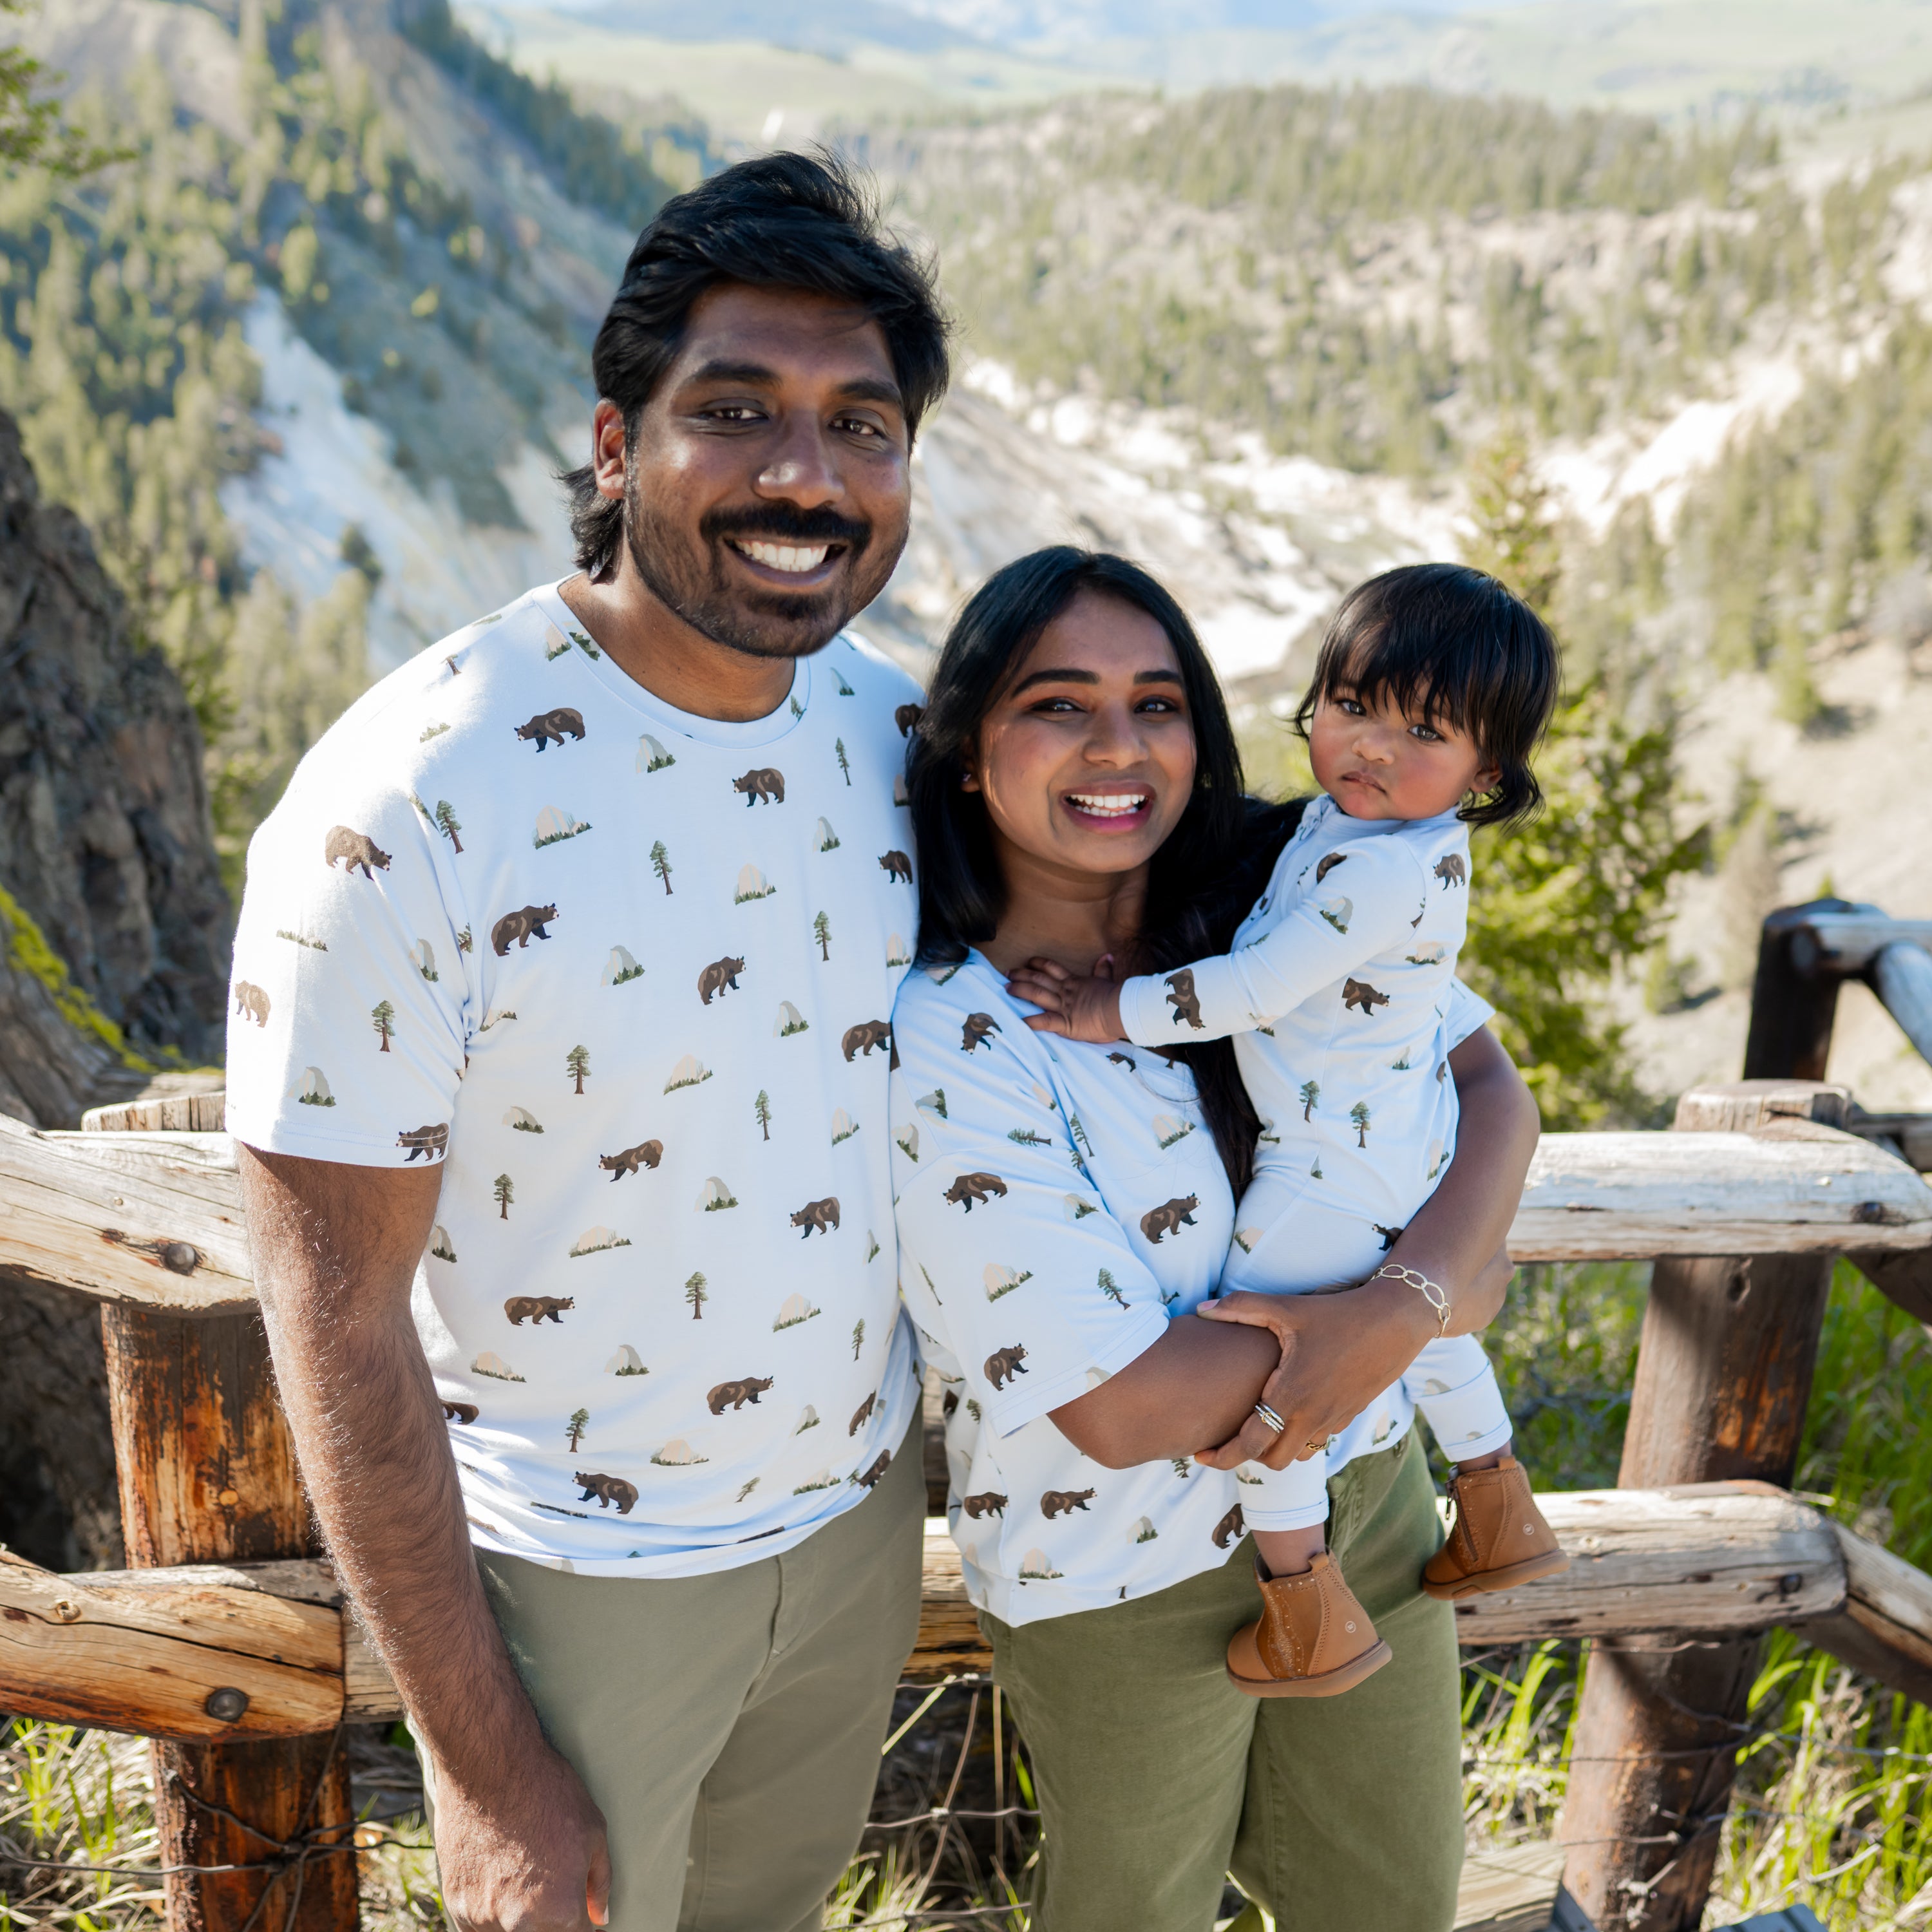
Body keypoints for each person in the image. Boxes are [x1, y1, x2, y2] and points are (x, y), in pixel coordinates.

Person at [225, 153, 949, 1932]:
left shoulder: (903, 738)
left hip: (855, 1539)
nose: (808, 474)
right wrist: (486, 1773)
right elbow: (333, 1313)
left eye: (865, 423)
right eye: (737, 412)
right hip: (577, 1582)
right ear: (617, 447)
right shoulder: (407, 804)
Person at [889, 547, 1543, 1931]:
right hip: (1120, 1570)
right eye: (1058, 704)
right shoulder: (958, 1041)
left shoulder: (1279, 891)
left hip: (1367, 1497)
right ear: (966, 753)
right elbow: (1125, 1410)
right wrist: (1419, 1301)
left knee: (1388, 1902)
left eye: (1160, 701)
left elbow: (1493, 1085)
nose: (1119, 746)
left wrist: (1408, 1296)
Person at [1010, 562, 1569, 1698]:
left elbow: (1258, 988)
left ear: (1486, 773)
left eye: (1423, 729)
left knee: (1282, 1381)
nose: (1370, 745)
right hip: (1400, 1134)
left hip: (1333, 1165)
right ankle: (1498, 1504)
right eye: (1353, 705)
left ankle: (1306, 1607)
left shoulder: (1380, 869)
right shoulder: (1364, 831)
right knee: (1436, 1335)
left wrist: (1105, 1010)